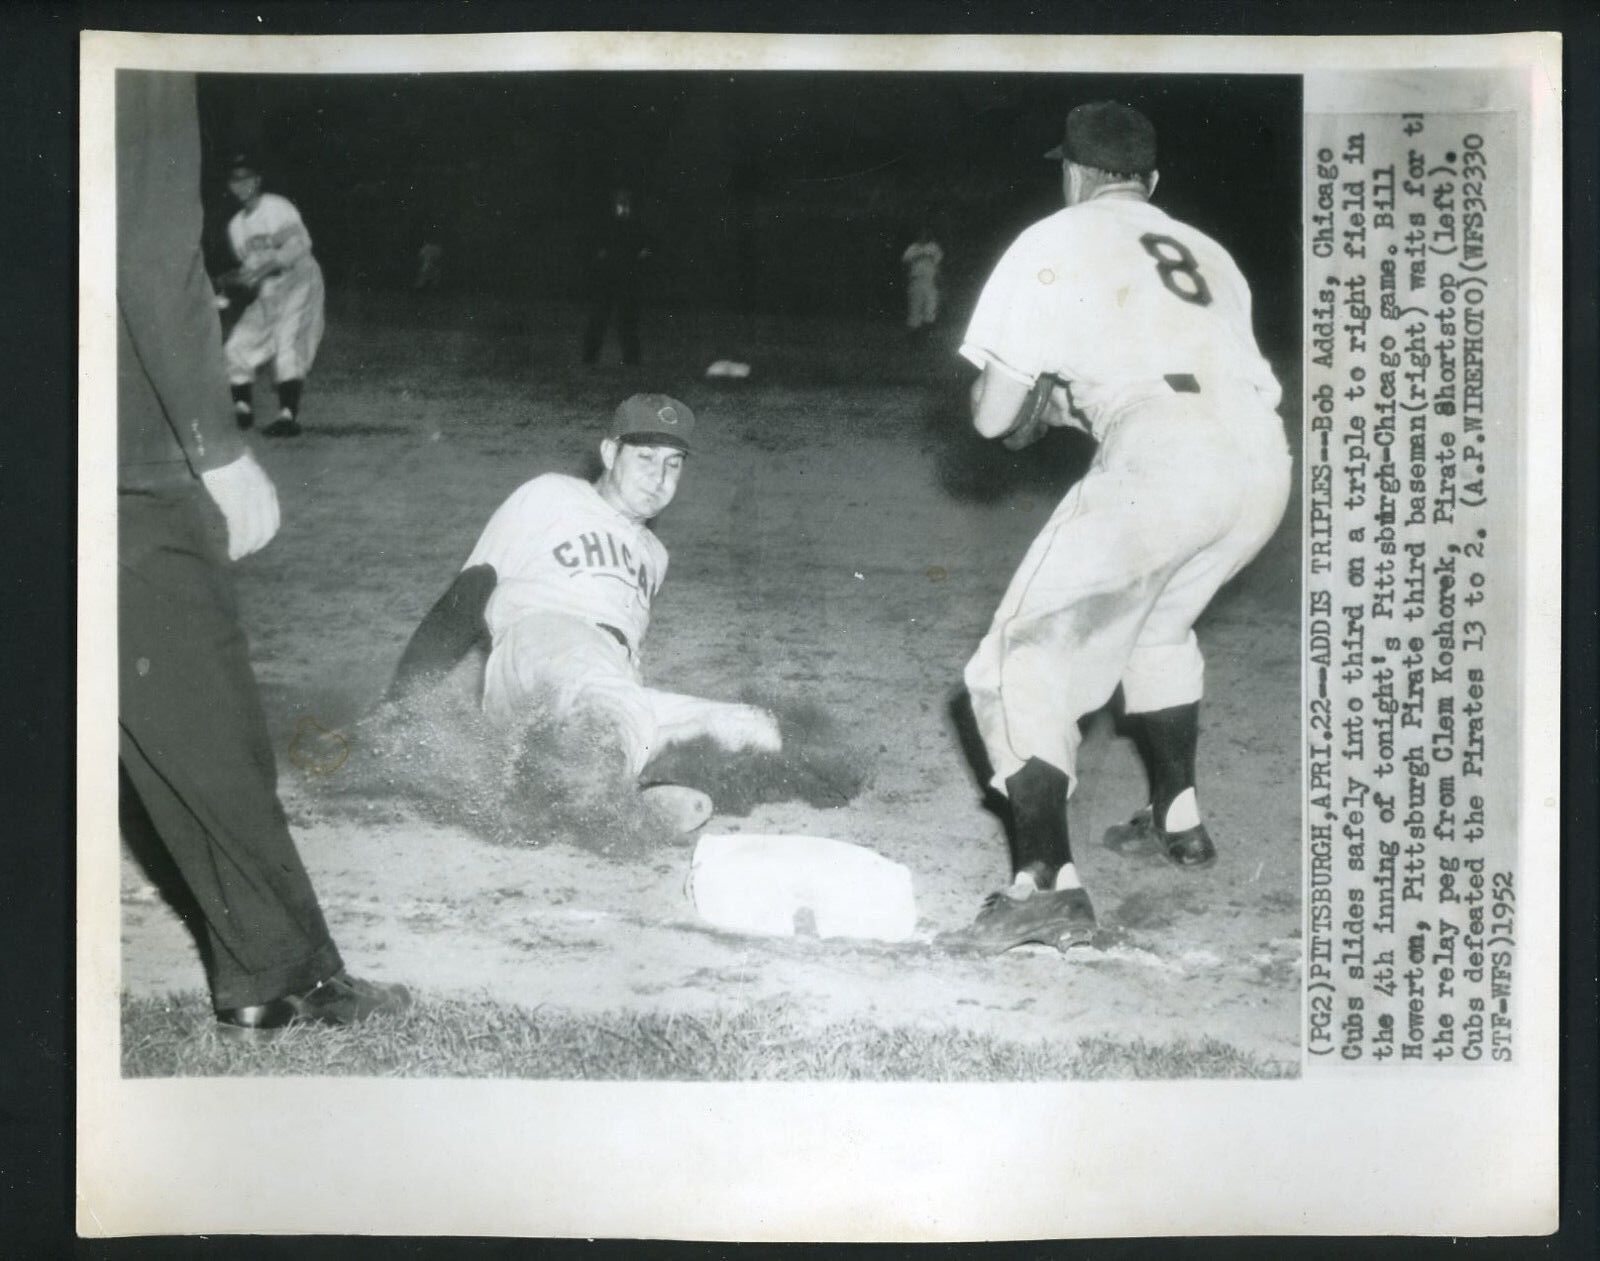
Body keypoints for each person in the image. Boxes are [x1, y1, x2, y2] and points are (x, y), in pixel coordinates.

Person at [946, 101, 1291, 953]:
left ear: (1072, 172)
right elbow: (1179, 372)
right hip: (1263, 458)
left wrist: (1025, 408)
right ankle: (1179, 818)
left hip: (1165, 455)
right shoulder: (1208, 251)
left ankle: (1044, 885)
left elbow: (994, 418)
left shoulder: (1054, 237)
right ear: (1151, 183)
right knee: (1160, 623)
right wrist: (1078, 410)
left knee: (1015, 659)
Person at [117, 71, 410, 1038]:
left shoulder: (275, 214)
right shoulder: (141, 56)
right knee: (205, 719)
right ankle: (276, 968)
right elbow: (154, 256)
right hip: (121, 447)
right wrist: (216, 448)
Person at [387, 394, 781, 823]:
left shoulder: (654, 554)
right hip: (543, 641)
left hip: (592, 692)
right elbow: (468, 593)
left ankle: (608, 778)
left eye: (673, 463)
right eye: (645, 457)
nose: (659, 477)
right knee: (608, 701)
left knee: (758, 731)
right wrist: (399, 702)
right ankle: (617, 795)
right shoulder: (551, 495)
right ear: (610, 453)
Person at [218, 154, 326, 437]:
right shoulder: (236, 226)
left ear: (257, 180)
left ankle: (287, 416)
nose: (239, 185)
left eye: (245, 179)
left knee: (287, 342)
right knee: (238, 345)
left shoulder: (276, 207)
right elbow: (250, 270)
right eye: (234, 180)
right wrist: (229, 281)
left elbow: (299, 246)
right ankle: (242, 409)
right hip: (271, 289)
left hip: (300, 280)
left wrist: (260, 269)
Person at [580, 188, 652, 366]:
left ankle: (632, 359)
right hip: (607, 277)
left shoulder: (636, 222)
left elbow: (645, 245)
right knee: (599, 318)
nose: (624, 204)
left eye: (626, 201)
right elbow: (597, 245)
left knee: (627, 319)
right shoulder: (607, 222)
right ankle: (590, 357)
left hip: (627, 277)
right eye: (620, 201)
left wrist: (645, 251)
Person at [900, 227, 944, 331]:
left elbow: (938, 264)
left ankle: (927, 334)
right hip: (916, 280)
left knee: (930, 307)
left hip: (930, 281)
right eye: (921, 234)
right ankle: (915, 338)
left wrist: (939, 279)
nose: (923, 236)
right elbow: (905, 262)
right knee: (915, 309)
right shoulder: (912, 248)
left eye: (925, 234)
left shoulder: (933, 247)